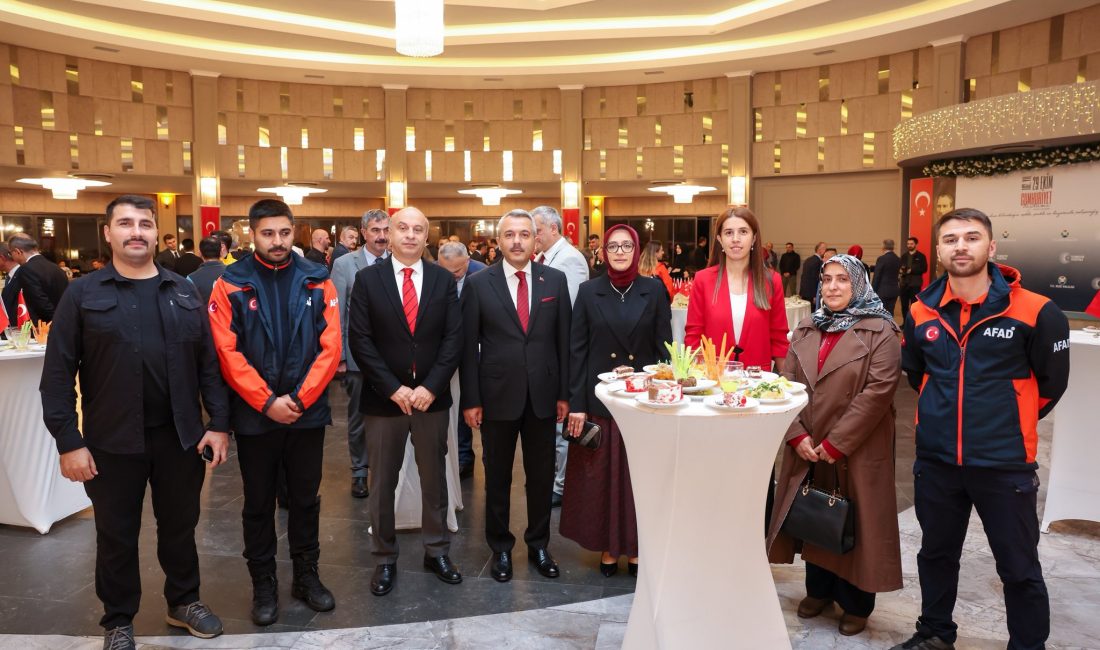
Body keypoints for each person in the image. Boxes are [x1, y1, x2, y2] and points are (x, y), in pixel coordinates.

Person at [40, 194, 230, 650]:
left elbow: (208, 364)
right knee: (116, 533)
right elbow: (58, 374)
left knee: (181, 525)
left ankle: (183, 601)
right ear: (108, 233)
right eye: (125, 223)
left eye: (145, 223)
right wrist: (69, 440)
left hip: (180, 437)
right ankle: (118, 620)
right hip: (110, 440)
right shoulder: (83, 294)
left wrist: (218, 423)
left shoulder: (183, 290)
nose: (137, 231)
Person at [892, 208, 1070, 650]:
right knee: (935, 555)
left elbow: (1052, 383)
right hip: (937, 461)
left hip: (1004, 463)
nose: (961, 246)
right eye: (951, 239)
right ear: (938, 251)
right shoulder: (920, 311)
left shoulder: (1036, 310)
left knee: (1018, 565)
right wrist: (943, 417)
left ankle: (1028, 645)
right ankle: (934, 633)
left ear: (991, 248)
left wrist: (1009, 420)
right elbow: (917, 376)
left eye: (972, 238)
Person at [207, 199, 341, 626]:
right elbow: (226, 352)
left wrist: (299, 400)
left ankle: (306, 575)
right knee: (258, 503)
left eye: (284, 233)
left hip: (308, 412)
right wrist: (266, 401)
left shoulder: (319, 279)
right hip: (254, 415)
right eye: (268, 233)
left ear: (293, 231)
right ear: (252, 234)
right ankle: (262, 584)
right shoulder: (230, 283)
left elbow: (331, 346)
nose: (278, 241)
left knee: (305, 499)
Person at [767, 253, 902, 638]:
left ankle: (857, 602)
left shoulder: (881, 331)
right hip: (808, 443)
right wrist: (796, 435)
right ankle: (820, 591)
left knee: (857, 522)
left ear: (858, 284)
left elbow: (878, 393)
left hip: (854, 447)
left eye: (842, 279)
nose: (832, 287)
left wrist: (835, 443)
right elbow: (785, 384)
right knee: (814, 515)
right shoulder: (808, 327)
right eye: (827, 280)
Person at [347, 207, 464, 596]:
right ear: (388, 236)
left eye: (418, 229)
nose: (410, 235)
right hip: (384, 401)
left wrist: (430, 386)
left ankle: (437, 551)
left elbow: (453, 339)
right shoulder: (367, 280)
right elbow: (360, 340)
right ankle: (383, 557)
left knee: (435, 480)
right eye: (403, 228)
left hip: (432, 398)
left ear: (427, 237)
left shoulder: (443, 281)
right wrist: (393, 388)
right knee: (382, 483)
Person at [460, 209, 572, 583]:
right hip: (496, 396)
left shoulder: (554, 281)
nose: (517, 241)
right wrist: (471, 400)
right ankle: (500, 548)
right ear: (499, 240)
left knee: (541, 476)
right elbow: (467, 346)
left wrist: (564, 394)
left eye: (525, 234)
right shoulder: (479, 284)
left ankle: (539, 544)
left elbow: (564, 342)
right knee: (497, 476)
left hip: (543, 395)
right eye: (510, 235)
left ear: (535, 239)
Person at [562, 224, 670, 578]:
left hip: (640, 401)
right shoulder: (589, 290)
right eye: (613, 246)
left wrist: (642, 376)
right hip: (600, 399)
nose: (620, 252)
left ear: (637, 251)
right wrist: (577, 402)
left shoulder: (653, 291)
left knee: (637, 476)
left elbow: (664, 351)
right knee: (603, 478)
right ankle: (609, 546)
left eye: (627, 246)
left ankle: (637, 546)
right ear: (603, 252)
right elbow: (576, 351)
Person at [532, 205, 590, 509]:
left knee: (563, 424)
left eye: (537, 230)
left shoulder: (568, 260)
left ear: (554, 229)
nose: (533, 237)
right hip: (548, 355)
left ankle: (562, 484)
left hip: (563, 353)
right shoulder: (544, 259)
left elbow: (570, 313)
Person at [331, 209, 391, 499]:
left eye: (385, 230)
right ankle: (359, 472)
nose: (381, 236)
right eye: (375, 230)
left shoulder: (400, 261)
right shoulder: (344, 264)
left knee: (393, 416)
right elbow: (336, 313)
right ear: (363, 233)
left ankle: (389, 471)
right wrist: (340, 355)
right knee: (358, 417)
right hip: (356, 358)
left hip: (394, 358)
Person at [685, 207, 788, 371]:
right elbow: (693, 335)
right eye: (728, 233)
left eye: (743, 232)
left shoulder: (772, 280)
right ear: (719, 239)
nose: (735, 239)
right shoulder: (703, 279)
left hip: (758, 381)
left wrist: (787, 382)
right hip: (714, 380)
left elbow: (779, 338)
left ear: (754, 238)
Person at [437, 241, 486, 477]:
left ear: (467, 261)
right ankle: (463, 457)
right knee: (457, 407)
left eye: (457, 271)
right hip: (449, 352)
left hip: (479, 353)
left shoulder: (482, 274)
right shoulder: (436, 275)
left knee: (480, 404)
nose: (453, 276)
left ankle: (490, 461)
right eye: (447, 271)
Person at [7, 233, 69, 322]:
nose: (12, 257)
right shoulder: (56, 267)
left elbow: (39, 301)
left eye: (10, 253)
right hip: (63, 319)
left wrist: (54, 320)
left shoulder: (26, 269)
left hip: (44, 324)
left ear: (18, 251)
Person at [187, 236, 227, 304]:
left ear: (199, 253)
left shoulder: (191, 279)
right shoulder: (234, 273)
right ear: (221, 252)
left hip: (203, 314)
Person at [899, 236, 928, 321]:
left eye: (911, 244)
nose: (909, 245)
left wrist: (912, 270)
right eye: (908, 244)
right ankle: (905, 322)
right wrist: (901, 270)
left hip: (915, 284)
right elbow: (900, 267)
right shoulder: (904, 256)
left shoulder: (921, 256)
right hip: (904, 283)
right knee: (904, 305)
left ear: (916, 244)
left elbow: (924, 269)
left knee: (914, 305)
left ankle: (914, 322)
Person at [871, 239, 901, 316]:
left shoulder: (881, 259)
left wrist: (872, 291)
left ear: (884, 246)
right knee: (890, 312)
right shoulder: (897, 259)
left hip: (883, 291)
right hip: (894, 290)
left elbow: (877, 276)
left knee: (881, 313)